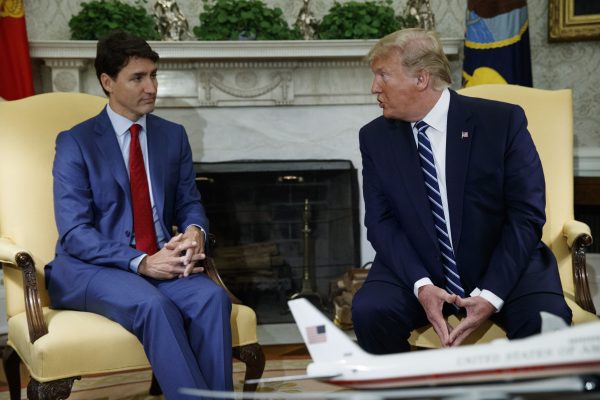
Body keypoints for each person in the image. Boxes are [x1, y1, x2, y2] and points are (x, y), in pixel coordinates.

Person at [352, 28, 572, 355]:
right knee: (370, 313)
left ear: (421, 78)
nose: (374, 87)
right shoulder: (375, 137)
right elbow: (381, 223)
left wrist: (492, 294)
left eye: (383, 75)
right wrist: (422, 285)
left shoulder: (500, 122)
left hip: (502, 261)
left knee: (545, 322)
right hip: (418, 266)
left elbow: (526, 214)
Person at [45, 31, 232, 398]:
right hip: (93, 268)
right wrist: (143, 262)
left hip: (163, 258)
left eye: (154, 75)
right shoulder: (75, 142)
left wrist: (195, 230)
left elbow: (189, 201)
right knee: (154, 305)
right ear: (107, 82)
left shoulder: (172, 136)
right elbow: (75, 233)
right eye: (138, 78)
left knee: (214, 299)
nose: (151, 87)